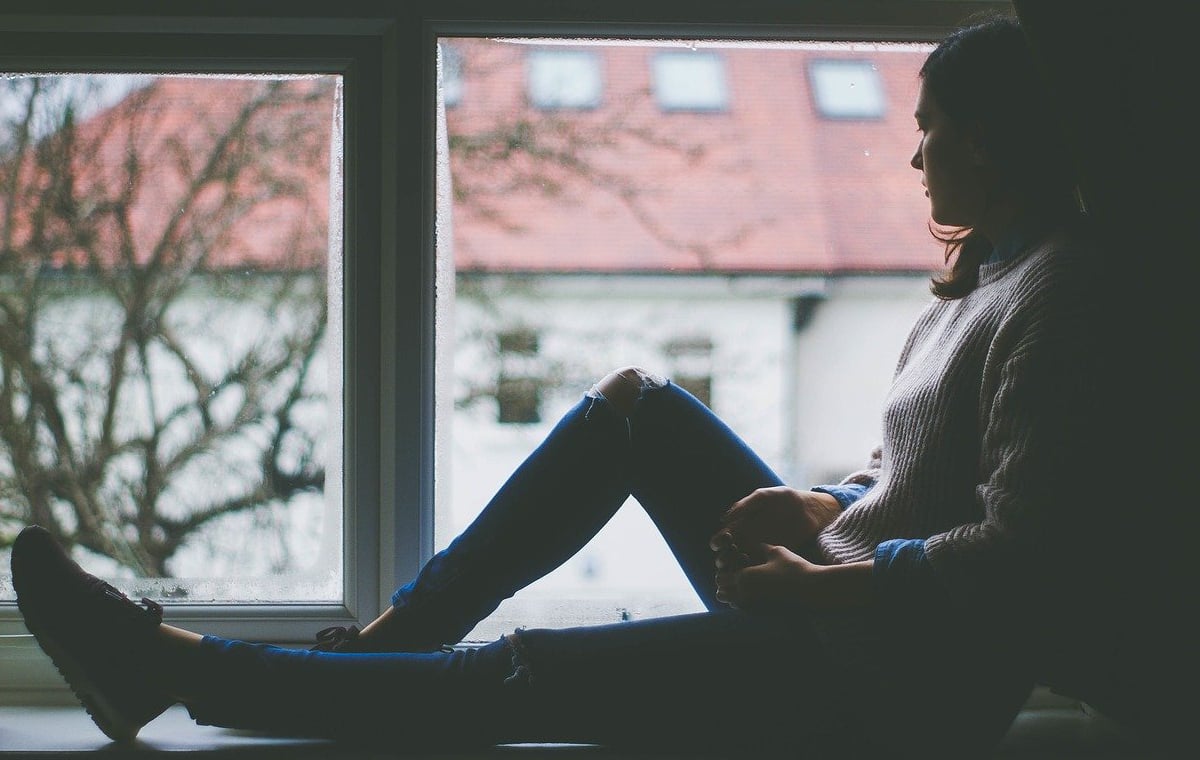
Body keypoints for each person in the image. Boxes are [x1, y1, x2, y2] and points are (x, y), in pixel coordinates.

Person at [10, 13, 1114, 756]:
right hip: (845, 612)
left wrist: (814, 583)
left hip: (897, 695)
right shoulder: (988, 277)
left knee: (526, 675)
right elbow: (920, 467)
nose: (918, 161)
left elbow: (1026, 557)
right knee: (634, 404)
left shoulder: (1057, 293)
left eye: (931, 133)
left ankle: (168, 667)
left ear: (992, 138)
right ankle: (381, 653)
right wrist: (822, 504)